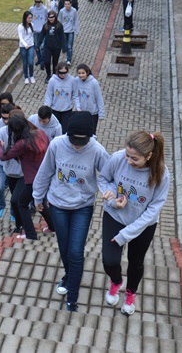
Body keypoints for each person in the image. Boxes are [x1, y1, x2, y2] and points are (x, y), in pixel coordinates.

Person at [33, 111, 110, 312]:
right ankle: (69, 275)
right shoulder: (57, 144)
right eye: (74, 141)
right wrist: (37, 197)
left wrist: (110, 192)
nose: (77, 146)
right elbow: (45, 171)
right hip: (58, 205)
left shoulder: (97, 150)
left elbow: (109, 174)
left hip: (82, 207)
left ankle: (72, 298)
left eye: (81, 142)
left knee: (76, 252)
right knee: (64, 247)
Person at [99, 131, 170, 316]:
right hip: (115, 216)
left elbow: (154, 209)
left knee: (136, 262)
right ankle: (116, 281)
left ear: (149, 155)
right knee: (109, 261)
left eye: (135, 159)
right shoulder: (117, 158)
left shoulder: (161, 173)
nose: (129, 161)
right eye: (127, 155)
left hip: (143, 224)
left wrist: (126, 234)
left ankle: (130, 293)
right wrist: (110, 196)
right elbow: (104, 179)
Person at [0, 114, 50, 240]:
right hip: (43, 175)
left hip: (32, 179)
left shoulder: (22, 143)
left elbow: (3, 156)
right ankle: (54, 226)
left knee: (21, 203)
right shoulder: (40, 133)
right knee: (40, 202)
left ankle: (30, 234)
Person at [73, 64, 106, 134]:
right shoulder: (76, 81)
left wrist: (101, 113)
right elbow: (76, 95)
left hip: (92, 113)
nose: (81, 75)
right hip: (81, 112)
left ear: (87, 72)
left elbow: (99, 98)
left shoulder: (94, 83)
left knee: (91, 133)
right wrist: (78, 107)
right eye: (79, 73)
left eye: (83, 73)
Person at [44, 61, 75, 133]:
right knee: (55, 130)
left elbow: (75, 94)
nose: (63, 75)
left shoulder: (72, 80)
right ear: (57, 71)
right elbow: (49, 95)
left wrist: (78, 106)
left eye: (65, 72)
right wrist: (47, 108)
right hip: (55, 110)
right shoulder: (52, 81)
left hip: (67, 110)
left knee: (65, 131)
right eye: (61, 73)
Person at [39, 11, 65, 82]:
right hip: (48, 47)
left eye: (52, 17)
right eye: (49, 17)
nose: (51, 19)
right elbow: (41, 35)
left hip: (57, 47)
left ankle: (54, 75)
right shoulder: (46, 26)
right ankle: (48, 75)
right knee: (47, 61)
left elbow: (62, 36)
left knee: (55, 62)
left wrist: (63, 46)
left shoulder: (59, 25)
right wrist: (38, 44)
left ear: (55, 17)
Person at [58, 0, 79, 65]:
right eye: (65, 4)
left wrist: (77, 30)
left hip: (70, 31)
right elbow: (59, 21)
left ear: (71, 4)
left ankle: (68, 60)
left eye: (68, 4)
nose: (66, 5)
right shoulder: (61, 11)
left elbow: (76, 20)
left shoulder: (74, 11)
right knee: (65, 45)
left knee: (70, 46)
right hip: (64, 31)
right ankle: (67, 56)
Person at [29, 0, 48, 67]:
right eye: (36, 1)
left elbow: (46, 18)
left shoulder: (44, 9)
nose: (37, 3)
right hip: (35, 31)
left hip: (42, 31)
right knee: (36, 46)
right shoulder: (31, 9)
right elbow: (30, 18)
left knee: (42, 47)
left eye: (38, 1)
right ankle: (39, 59)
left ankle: (43, 62)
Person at [18, 10, 36, 84]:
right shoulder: (20, 27)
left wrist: (32, 43)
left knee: (30, 62)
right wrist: (25, 45)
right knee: (25, 62)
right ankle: (26, 77)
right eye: (29, 18)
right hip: (23, 47)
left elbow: (32, 35)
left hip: (31, 45)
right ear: (25, 18)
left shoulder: (32, 25)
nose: (30, 19)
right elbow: (21, 37)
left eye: (31, 18)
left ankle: (31, 75)